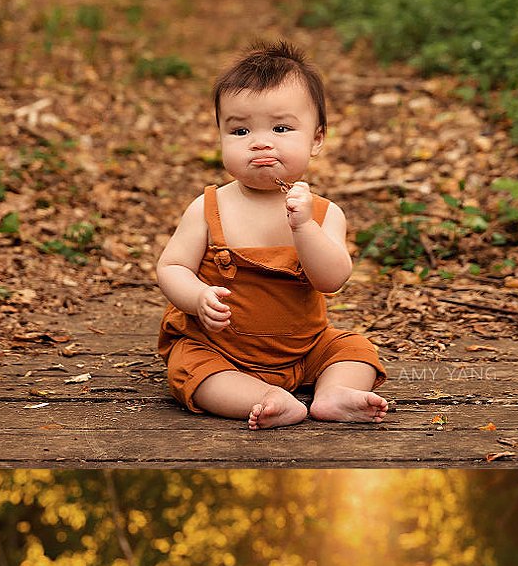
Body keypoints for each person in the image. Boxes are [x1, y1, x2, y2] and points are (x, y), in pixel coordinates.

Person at [156, 37, 388, 429]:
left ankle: (333, 394)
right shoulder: (208, 207)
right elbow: (172, 266)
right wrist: (197, 297)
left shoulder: (324, 213)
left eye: (281, 128)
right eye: (240, 131)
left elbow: (332, 280)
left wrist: (304, 228)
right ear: (220, 137)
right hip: (221, 348)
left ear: (316, 139)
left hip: (305, 347)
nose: (260, 141)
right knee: (189, 368)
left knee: (354, 349)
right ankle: (264, 398)